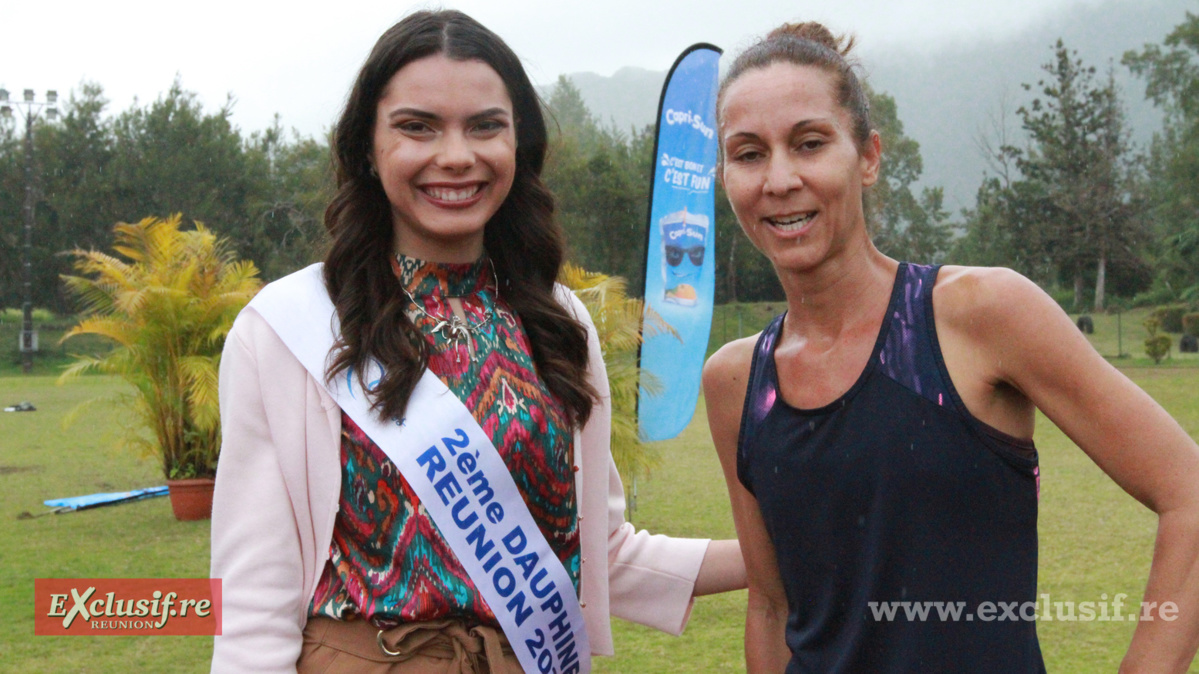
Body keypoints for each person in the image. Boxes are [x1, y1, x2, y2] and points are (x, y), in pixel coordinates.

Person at [211, 10, 745, 673]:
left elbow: (601, 554)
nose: (456, 155)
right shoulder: (291, 327)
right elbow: (253, 602)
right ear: (366, 149)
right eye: (417, 127)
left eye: (485, 125)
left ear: (519, 144)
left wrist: (777, 548)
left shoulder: (557, 321)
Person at [702, 21, 1199, 674]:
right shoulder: (736, 382)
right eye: (748, 154)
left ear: (869, 156)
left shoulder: (979, 315)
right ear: (725, 178)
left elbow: (1188, 490)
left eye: (809, 143)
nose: (779, 178)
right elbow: (770, 606)